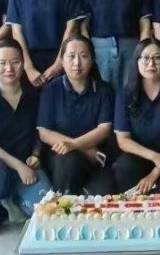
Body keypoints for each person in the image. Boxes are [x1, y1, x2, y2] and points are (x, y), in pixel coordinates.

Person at [0, 40, 54, 237]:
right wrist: (18, 165)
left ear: (23, 63)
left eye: (15, 62)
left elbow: (39, 132)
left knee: (47, 213)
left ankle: (12, 202)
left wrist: (36, 155)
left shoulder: (35, 95)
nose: (9, 68)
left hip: (28, 168)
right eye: (2, 63)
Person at [34, 36, 115, 195]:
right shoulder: (51, 90)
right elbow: (44, 132)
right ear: (62, 61)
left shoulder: (104, 90)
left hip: (95, 158)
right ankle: (62, 207)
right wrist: (82, 148)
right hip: (62, 158)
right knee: (67, 160)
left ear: (91, 60)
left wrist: (74, 144)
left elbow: (104, 129)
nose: (77, 63)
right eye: (71, 56)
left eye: (83, 56)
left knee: (106, 193)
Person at [110, 38, 160, 194]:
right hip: (138, 157)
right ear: (137, 62)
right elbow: (123, 141)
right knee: (123, 167)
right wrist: (154, 157)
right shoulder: (125, 94)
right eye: (145, 58)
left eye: (157, 58)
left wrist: (154, 174)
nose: (151, 64)